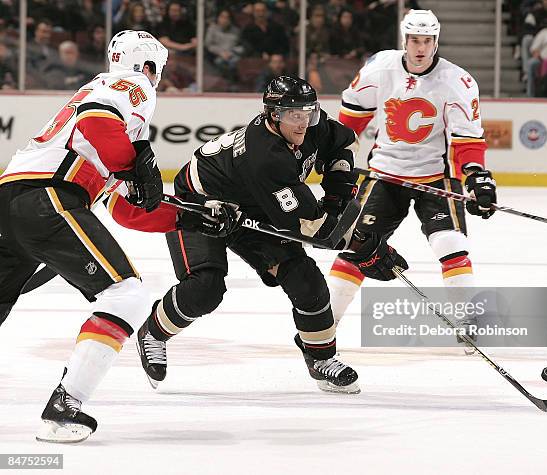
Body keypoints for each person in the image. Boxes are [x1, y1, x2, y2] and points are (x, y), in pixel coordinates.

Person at [131, 76, 408, 395]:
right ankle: (152, 333)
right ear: (273, 115)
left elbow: (343, 146)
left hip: (255, 206)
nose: (304, 123)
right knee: (205, 287)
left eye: (308, 112)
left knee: (305, 279)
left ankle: (321, 358)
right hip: (200, 203)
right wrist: (367, 249)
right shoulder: (266, 157)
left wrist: (337, 194)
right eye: (295, 115)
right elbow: (314, 228)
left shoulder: (311, 125)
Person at [0, 30, 170, 443]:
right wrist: (131, 167)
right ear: (146, 65)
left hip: (17, 199)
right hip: (47, 196)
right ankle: (64, 407)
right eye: (157, 70)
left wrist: (186, 218)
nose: (157, 77)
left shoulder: (95, 99)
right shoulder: (132, 85)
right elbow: (98, 119)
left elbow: (124, 208)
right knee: (125, 295)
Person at [326, 10, 497, 343]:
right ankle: (325, 322)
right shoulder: (379, 68)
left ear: (436, 41)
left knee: (450, 242)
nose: (421, 48)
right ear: (404, 40)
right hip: (384, 175)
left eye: (428, 41)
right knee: (354, 249)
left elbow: (467, 139)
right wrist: (336, 157)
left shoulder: (457, 81)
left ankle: (468, 323)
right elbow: (350, 121)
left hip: (435, 177)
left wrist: (476, 177)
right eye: (415, 40)